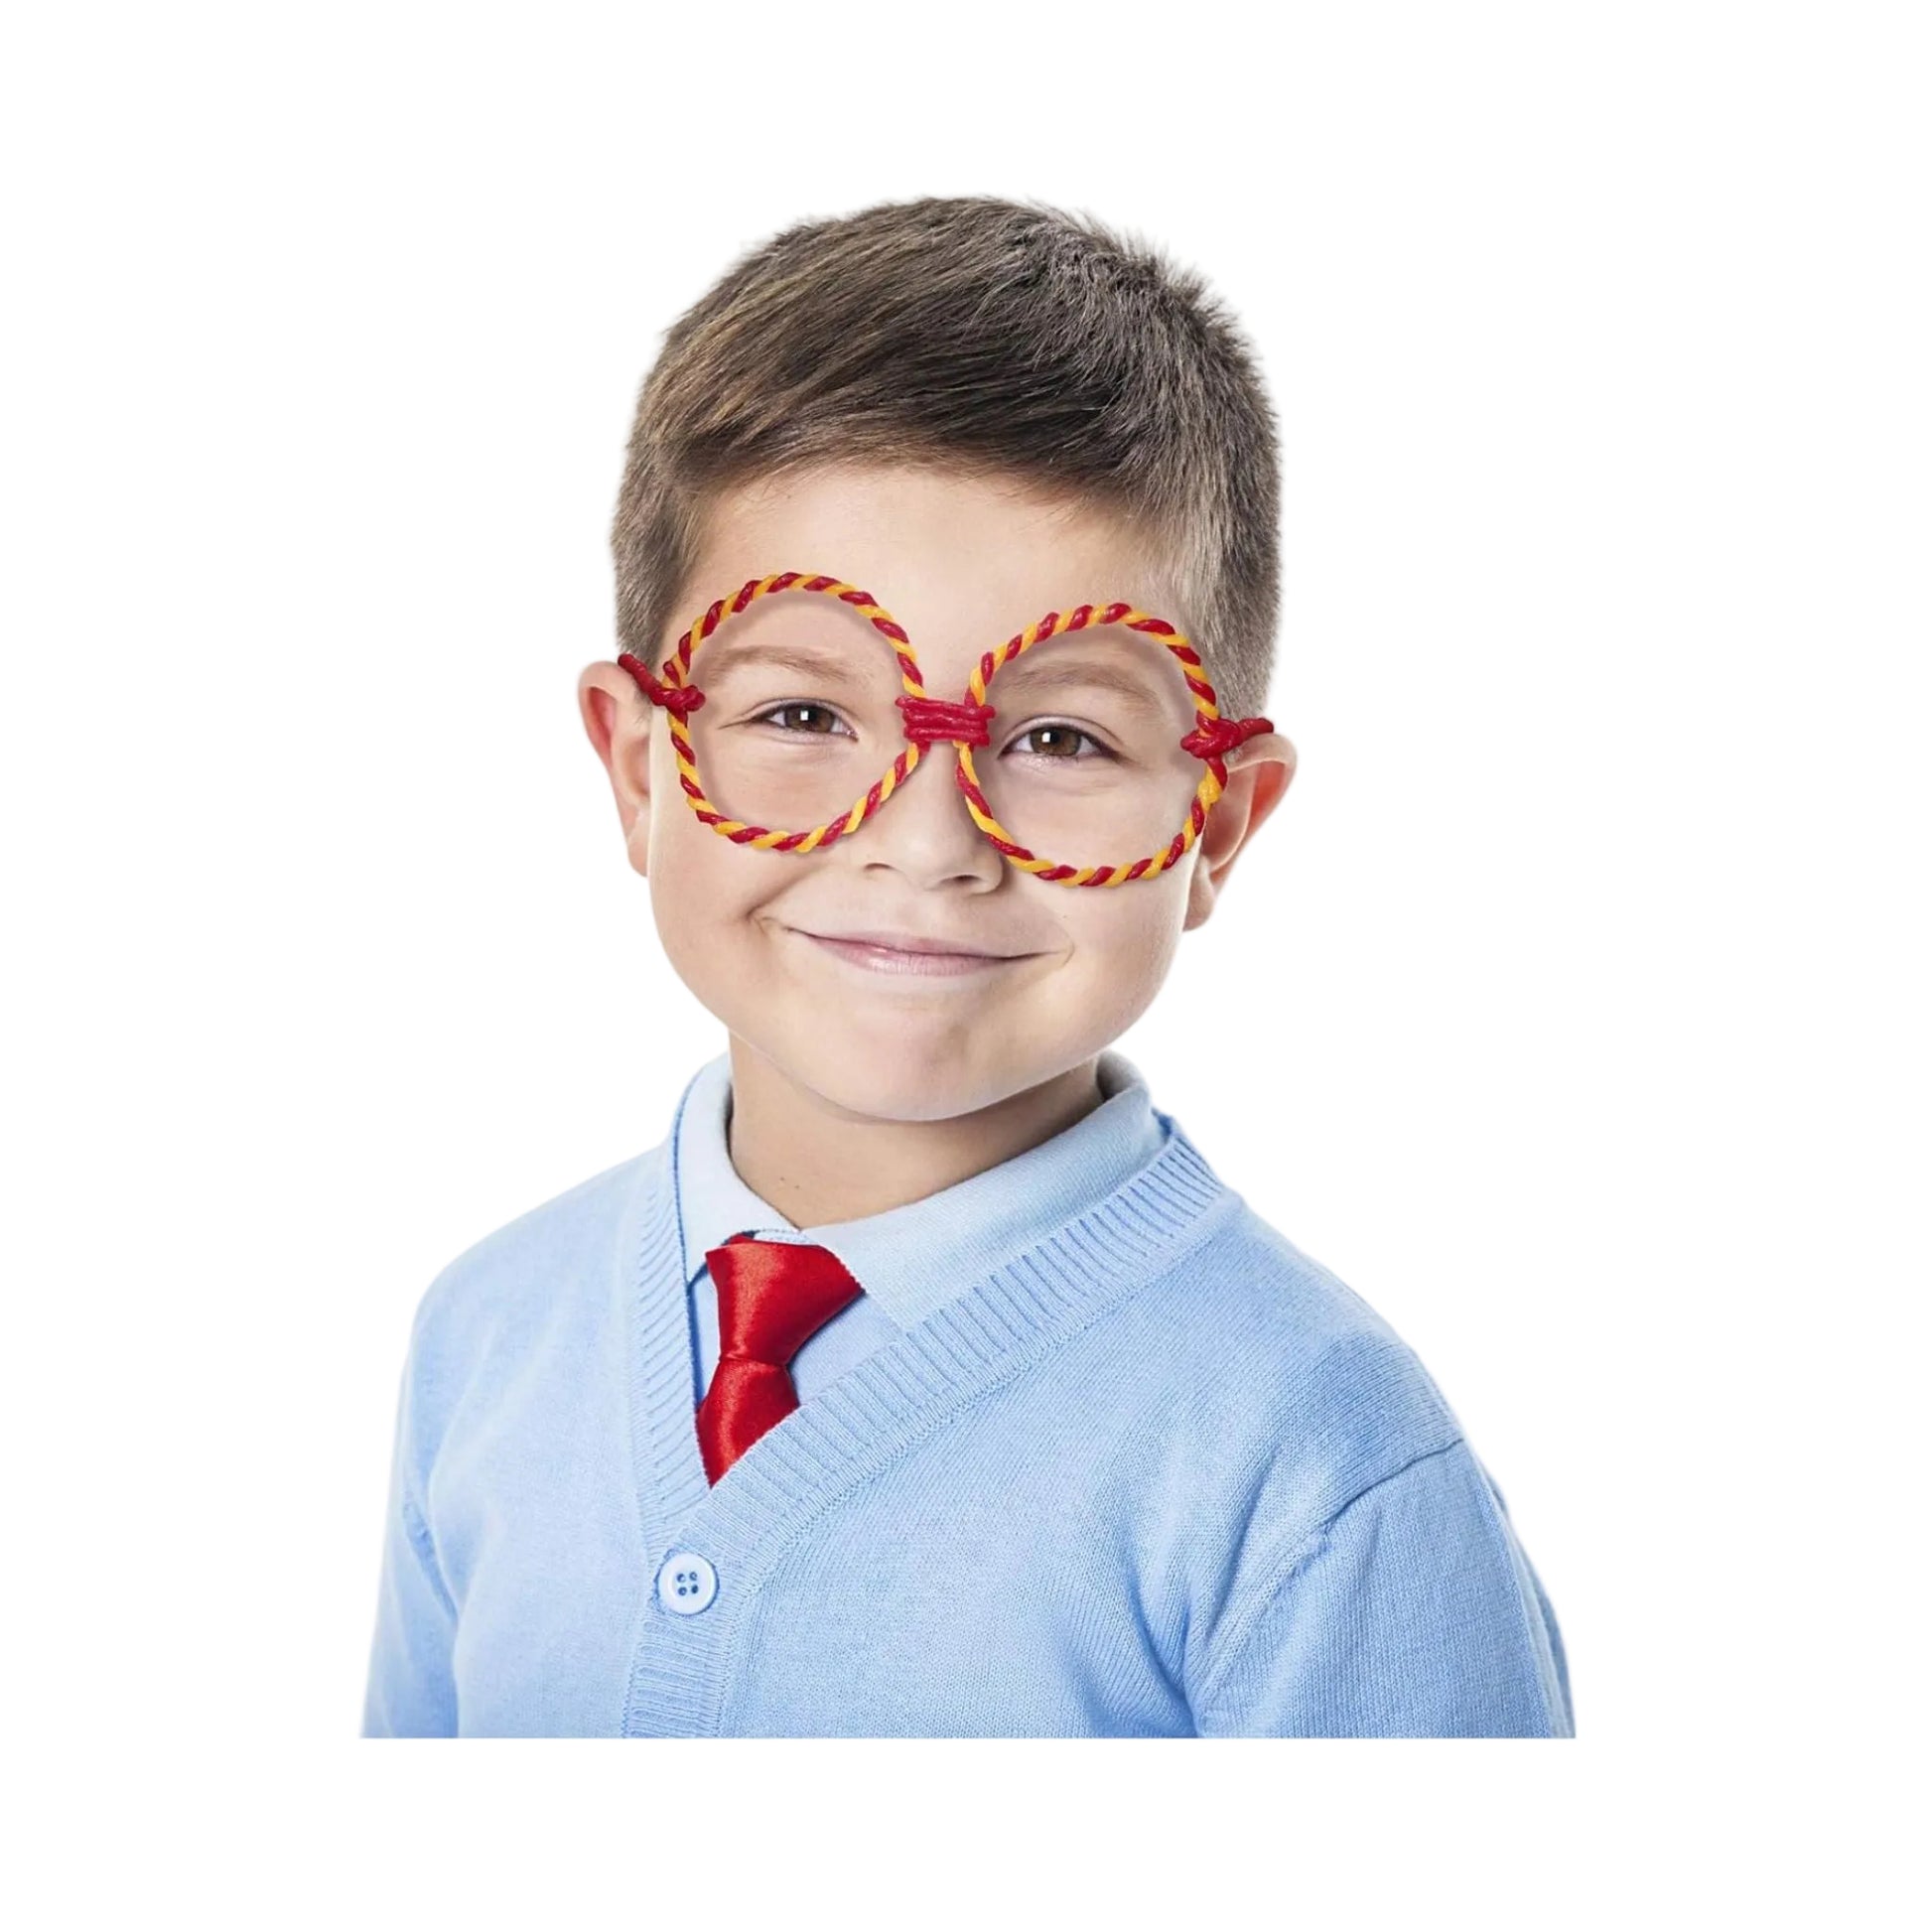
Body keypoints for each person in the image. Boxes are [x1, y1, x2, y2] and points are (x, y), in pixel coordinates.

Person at [360, 194, 1573, 1737]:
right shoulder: (486, 1333)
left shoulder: (1315, 1464)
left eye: (1061, 736)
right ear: (637, 765)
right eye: (803, 715)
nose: (929, 840)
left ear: (1218, 823)